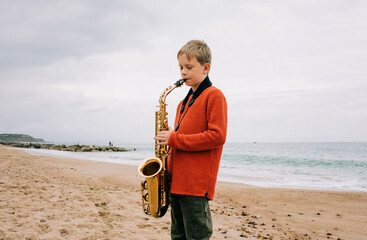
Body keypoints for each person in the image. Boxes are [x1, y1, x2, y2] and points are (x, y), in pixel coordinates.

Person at [154, 40, 228, 240]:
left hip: (195, 184)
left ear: (206, 68)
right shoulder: (182, 103)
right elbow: (181, 138)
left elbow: (217, 136)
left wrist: (175, 138)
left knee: (197, 236)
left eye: (189, 67)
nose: (183, 72)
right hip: (176, 181)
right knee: (178, 235)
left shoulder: (214, 95)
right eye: (180, 67)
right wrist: (168, 139)